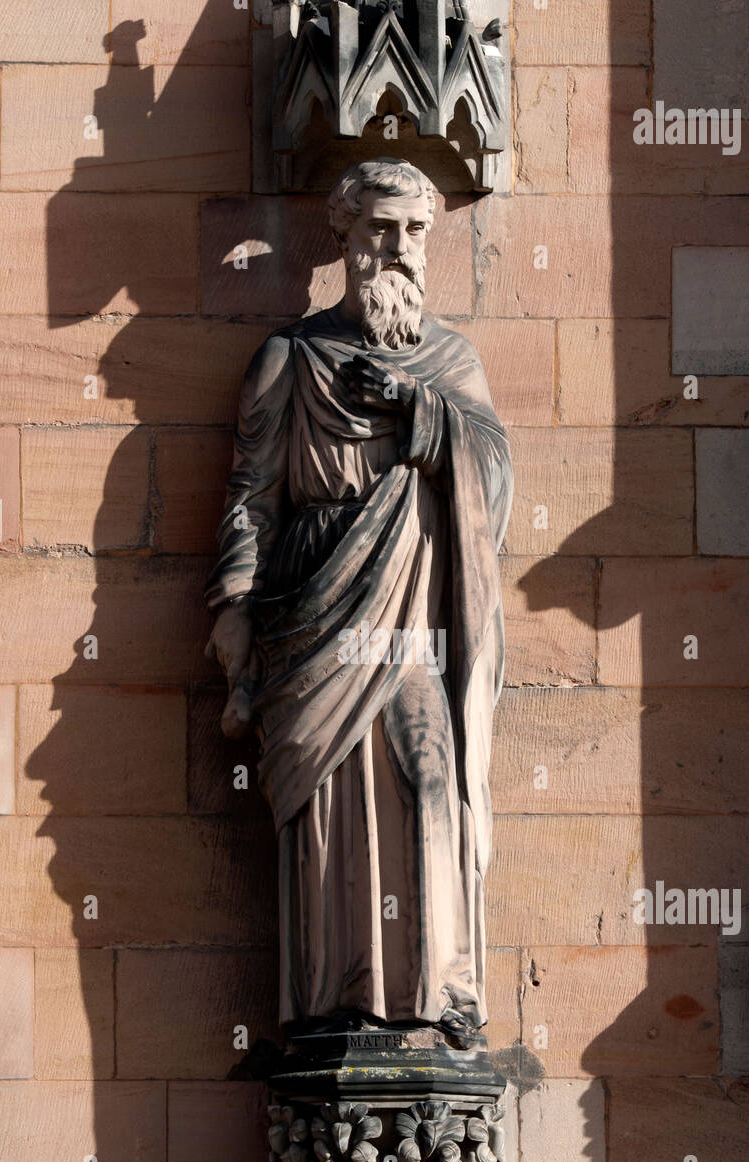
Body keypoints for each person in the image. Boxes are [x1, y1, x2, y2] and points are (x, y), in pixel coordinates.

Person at [205, 157, 512, 1047]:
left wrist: (421, 414)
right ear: (344, 235)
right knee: (330, 808)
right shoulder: (291, 358)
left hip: (412, 613)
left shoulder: (451, 360)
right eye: (381, 228)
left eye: (415, 229)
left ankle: (432, 996)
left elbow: (491, 477)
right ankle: (335, 1003)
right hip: (313, 609)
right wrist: (234, 610)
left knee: (427, 776)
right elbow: (250, 497)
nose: (399, 248)